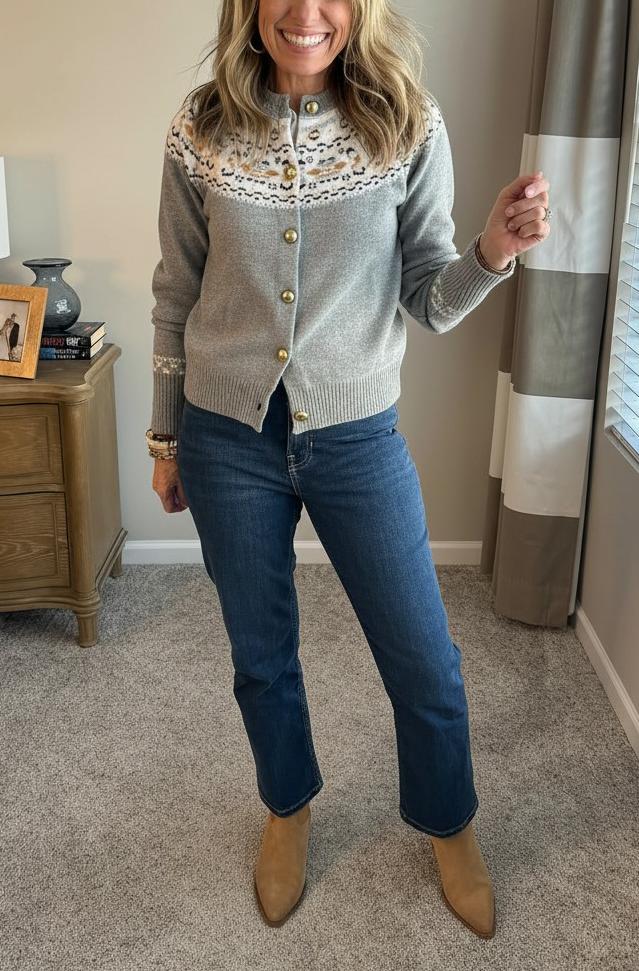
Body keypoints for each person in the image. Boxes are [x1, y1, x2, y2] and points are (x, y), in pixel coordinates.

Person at [146, 0, 551, 937]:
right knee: (259, 653)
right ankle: (287, 808)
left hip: (356, 433)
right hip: (223, 436)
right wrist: (166, 439)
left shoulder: (405, 122)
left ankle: (448, 822)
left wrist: (493, 251)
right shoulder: (199, 126)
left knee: (423, 655)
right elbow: (176, 290)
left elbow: (430, 298)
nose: (306, 13)